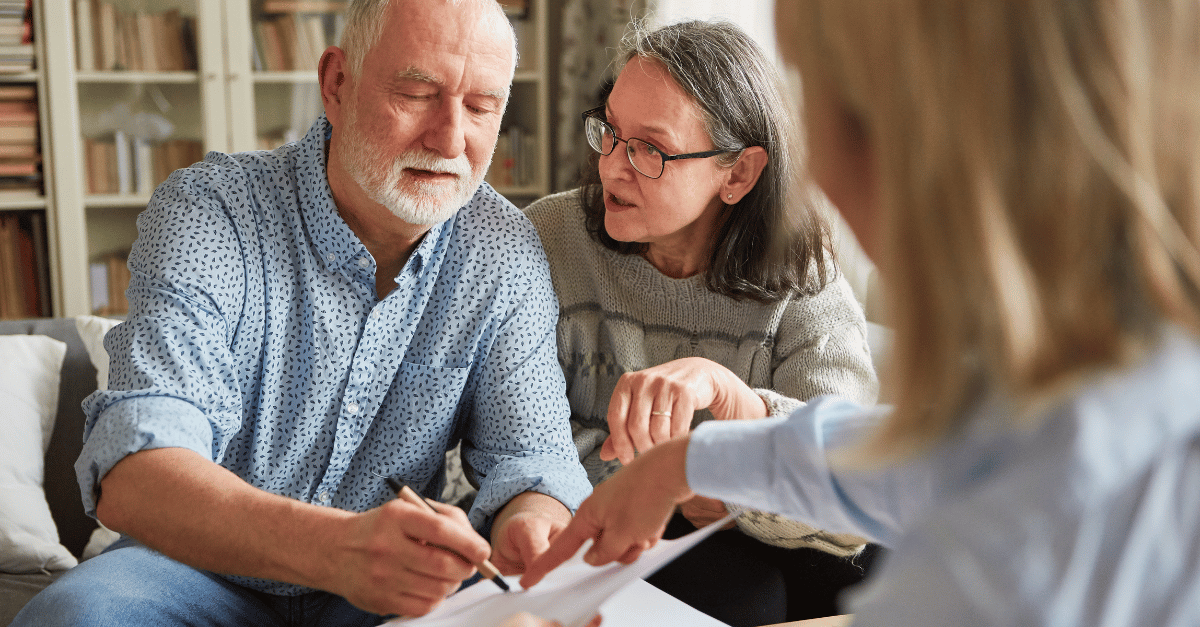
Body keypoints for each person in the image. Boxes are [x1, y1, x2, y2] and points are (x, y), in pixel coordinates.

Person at [522, 1, 1200, 626]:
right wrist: (687, 463)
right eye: (611, 133)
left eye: (832, 108)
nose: (816, 173)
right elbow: (912, 456)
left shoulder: (1000, 558)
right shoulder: (1107, 390)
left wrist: (717, 446)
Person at [12, 1, 592, 625]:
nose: (450, 139)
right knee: (70, 617)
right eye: (417, 94)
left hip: (389, 586)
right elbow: (135, 473)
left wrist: (532, 522)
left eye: (481, 107)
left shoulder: (503, 248)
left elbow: (533, 459)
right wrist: (337, 551)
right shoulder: (212, 211)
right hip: (192, 568)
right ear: (336, 83)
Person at [522, 19, 880, 626]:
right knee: (744, 592)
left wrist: (735, 451)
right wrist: (678, 479)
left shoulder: (801, 265)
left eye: (650, 150)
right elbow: (519, 441)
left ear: (737, 174)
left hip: (763, 537)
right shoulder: (548, 239)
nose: (612, 167)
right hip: (604, 525)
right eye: (610, 132)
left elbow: (852, 481)